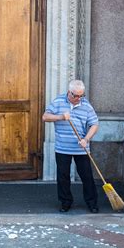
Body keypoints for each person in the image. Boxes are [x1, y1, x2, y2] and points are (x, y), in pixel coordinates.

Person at [42, 80, 99, 213]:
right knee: (63, 176)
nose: (78, 98)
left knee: (87, 176)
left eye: (81, 96)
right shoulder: (58, 102)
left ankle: (92, 203)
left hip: (81, 147)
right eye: (75, 95)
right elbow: (45, 117)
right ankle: (65, 202)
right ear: (69, 92)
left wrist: (86, 139)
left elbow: (94, 124)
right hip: (62, 147)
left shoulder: (86, 105)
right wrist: (61, 116)